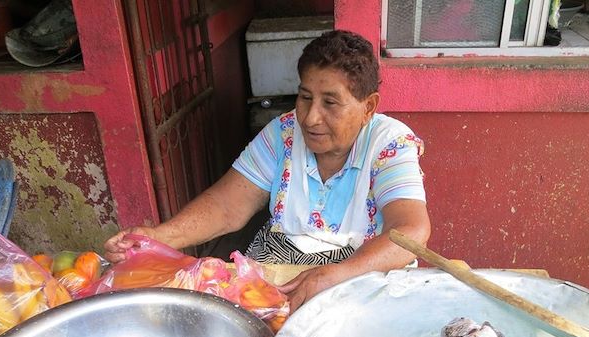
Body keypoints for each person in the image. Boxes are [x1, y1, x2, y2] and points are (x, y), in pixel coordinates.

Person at [104, 30, 431, 312]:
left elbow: (410, 232)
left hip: (357, 272)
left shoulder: (390, 144)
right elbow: (227, 205)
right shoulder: (283, 133)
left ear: (368, 107)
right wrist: (160, 237)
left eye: (330, 103)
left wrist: (337, 273)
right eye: (305, 97)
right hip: (279, 268)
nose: (310, 117)